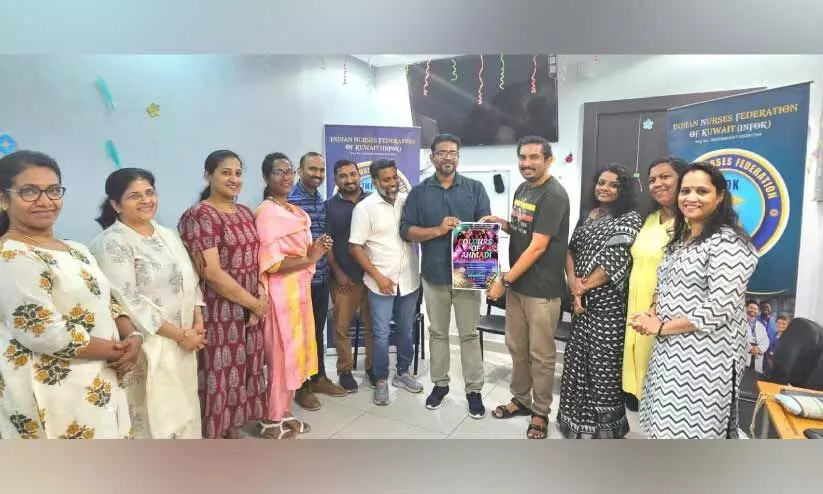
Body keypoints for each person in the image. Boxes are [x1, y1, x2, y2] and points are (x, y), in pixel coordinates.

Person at [0, 150, 139, 439]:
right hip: (52, 391)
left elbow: (108, 300)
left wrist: (133, 337)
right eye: (29, 191)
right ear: (3, 199)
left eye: (53, 190)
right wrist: (119, 351)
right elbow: (43, 331)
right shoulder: (12, 255)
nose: (45, 201)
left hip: (99, 378)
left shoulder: (77, 249)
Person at [632, 162, 759, 439]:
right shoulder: (683, 237)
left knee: (691, 434)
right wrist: (652, 313)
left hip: (706, 358)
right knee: (662, 426)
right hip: (670, 350)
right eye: (685, 190)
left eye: (702, 191)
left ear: (720, 196)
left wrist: (661, 327)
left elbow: (719, 308)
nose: (691, 198)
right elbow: (664, 283)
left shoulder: (728, 243)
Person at [89, 168, 206, 439]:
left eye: (149, 193)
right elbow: (126, 300)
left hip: (185, 342)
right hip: (148, 346)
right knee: (155, 417)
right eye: (134, 196)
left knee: (185, 411)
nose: (145, 200)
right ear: (116, 204)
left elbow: (190, 278)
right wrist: (180, 335)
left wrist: (197, 324)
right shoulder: (111, 243)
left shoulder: (167, 234)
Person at [482, 135, 570, 439]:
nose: (527, 163)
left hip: (542, 290)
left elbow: (538, 246)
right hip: (519, 287)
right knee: (517, 348)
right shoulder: (523, 189)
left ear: (548, 160)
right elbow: (525, 229)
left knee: (541, 355)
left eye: (534, 157)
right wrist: (503, 224)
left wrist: (504, 281)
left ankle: (540, 412)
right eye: (522, 157)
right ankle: (521, 399)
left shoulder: (554, 195)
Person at [177, 150, 268, 439]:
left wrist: (259, 297)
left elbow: (256, 260)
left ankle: (232, 428)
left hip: (249, 309)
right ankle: (213, 436)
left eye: (238, 173)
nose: (234, 179)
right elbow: (212, 273)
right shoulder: (200, 215)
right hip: (219, 310)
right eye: (225, 172)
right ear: (208, 175)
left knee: (244, 370)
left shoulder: (245, 213)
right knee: (219, 374)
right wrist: (254, 304)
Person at [399, 133, 491, 417]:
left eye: (453, 152)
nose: (447, 157)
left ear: (458, 157)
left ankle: (474, 390)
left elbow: (485, 231)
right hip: (434, 274)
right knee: (437, 333)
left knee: (469, 334)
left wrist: (486, 274)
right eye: (442, 152)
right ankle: (440, 385)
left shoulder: (475, 189)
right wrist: (438, 230)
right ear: (432, 157)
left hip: (468, 273)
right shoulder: (419, 192)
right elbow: (406, 231)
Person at [557, 164, 641, 439]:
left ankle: (605, 432)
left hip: (608, 305)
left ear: (623, 190)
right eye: (601, 182)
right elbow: (570, 250)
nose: (605, 188)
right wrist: (573, 283)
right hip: (580, 303)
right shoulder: (588, 215)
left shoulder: (629, 218)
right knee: (576, 361)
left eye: (613, 184)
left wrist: (581, 289)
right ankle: (573, 424)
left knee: (603, 366)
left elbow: (616, 259)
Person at [256, 152, 332, 439]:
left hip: (298, 290)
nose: (286, 177)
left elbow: (301, 252)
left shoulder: (294, 212)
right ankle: (271, 419)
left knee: (295, 354)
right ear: (266, 177)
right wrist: (311, 257)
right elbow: (272, 263)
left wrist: (316, 249)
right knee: (279, 357)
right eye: (279, 172)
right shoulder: (267, 212)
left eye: (289, 171)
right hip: (278, 295)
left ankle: (284, 411)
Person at [349, 159, 423, 406]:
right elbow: (355, 247)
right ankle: (380, 380)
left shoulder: (407, 202)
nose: (392, 183)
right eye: (386, 179)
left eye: (394, 178)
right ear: (375, 181)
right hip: (380, 282)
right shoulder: (365, 208)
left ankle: (403, 373)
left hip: (409, 280)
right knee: (380, 333)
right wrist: (378, 276)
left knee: (406, 329)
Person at [621, 157, 687, 412]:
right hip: (637, 309)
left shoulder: (691, 223)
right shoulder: (649, 219)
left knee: (663, 388)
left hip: (667, 314)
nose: (658, 183)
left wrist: (656, 309)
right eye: (652, 180)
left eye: (665, 177)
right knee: (638, 370)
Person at [288, 151, 347, 407]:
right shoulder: (290, 201)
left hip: (321, 277)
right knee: (300, 335)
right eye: (312, 169)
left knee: (317, 331)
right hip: (298, 280)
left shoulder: (319, 199)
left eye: (321, 171)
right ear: (300, 171)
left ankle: (318, 377)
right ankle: (301, 387)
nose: (317, 174)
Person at [325, 159, 374, 392]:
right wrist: (337, 272)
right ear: (336, 180)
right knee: (341, 328)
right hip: (344, 278)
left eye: (352, 174)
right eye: (343, 176)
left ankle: (372, 368)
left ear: (359, 175)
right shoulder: (329, 207)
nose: (349, 179)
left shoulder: (373, 201)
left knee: (374, 327)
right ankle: (345, 370)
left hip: (373, 277)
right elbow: (327, 244)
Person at [745, 300, 770, 374]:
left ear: (758, 311)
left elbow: (766, 340)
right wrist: (750, 348)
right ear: (746, 308)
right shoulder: (740, 322)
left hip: (757, 354)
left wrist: (758, 349)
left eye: (755, 309)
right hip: (745, 353)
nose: (753, 310)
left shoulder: (761, 325)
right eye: (751, 308)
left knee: (755, 377)